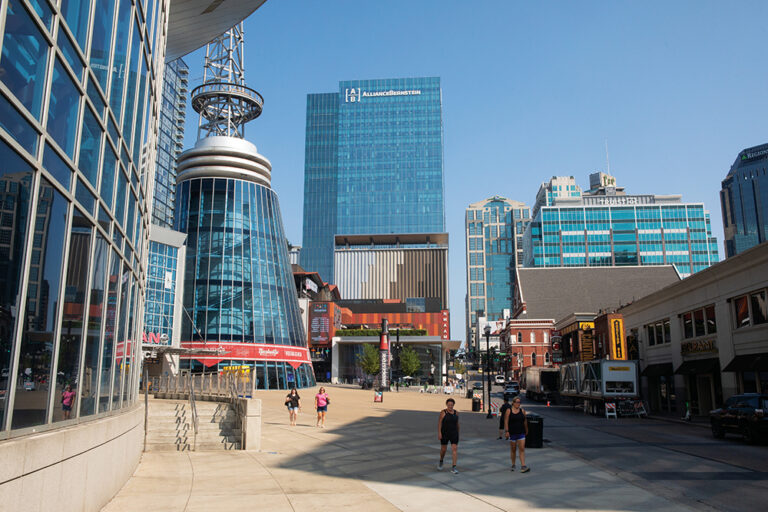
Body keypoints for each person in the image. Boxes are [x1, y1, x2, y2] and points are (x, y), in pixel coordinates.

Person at [503, 396, 530, 472]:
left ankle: (523, 466)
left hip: (521, 432)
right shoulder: (509, 411)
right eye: (517, 402)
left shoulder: (522, 411)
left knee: (522, 449)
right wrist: (507, 431)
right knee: (513, 449)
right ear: (513, 403)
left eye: (519, 402)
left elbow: (525, 421)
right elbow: (506, 421)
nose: (518, 404)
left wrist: (526, 429)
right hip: (512, 433)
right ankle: (513, 464)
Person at [437, 398, 460, 474]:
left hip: (454, 433)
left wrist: (458, 433)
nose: (450, 406)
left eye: (451, 405)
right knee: (443, 449)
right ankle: (441, 460)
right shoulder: (443, 412)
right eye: (449, 405)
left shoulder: (456, 413)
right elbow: (440, 423)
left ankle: (454, 467)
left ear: (453, 405)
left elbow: (457, 424)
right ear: (446, 405)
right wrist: (439, 433)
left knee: (454, 449)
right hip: (445, 433)